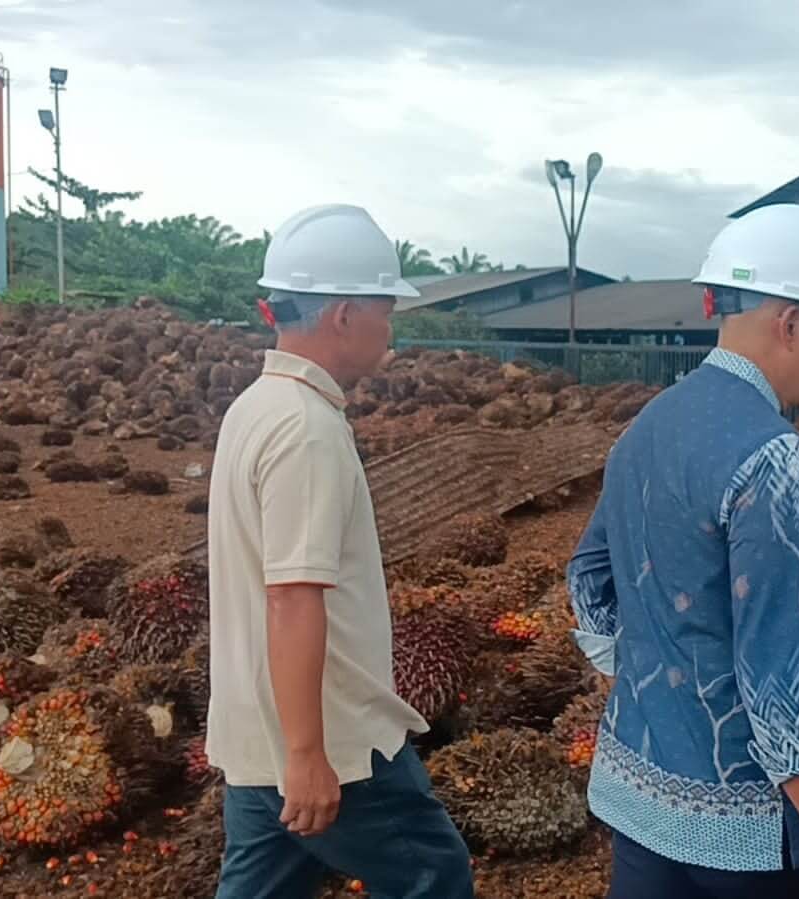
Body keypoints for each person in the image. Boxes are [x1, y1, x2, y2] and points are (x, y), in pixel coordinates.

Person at [567, 203, 799, 899]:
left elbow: (589, 583)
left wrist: (660, 688)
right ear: (789, 320)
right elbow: (780, 680)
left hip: (638, 794)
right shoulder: (775, 459)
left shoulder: (649, 422)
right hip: (746, 834)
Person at [205, 204, 474, 898]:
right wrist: (307, 756)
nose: (392, 326)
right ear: (344, 315)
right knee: (433, 876)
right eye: (386, 307)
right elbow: (292, 596)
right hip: (332, 743)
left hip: (254, 734)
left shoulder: (256, 407)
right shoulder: (306, 431)